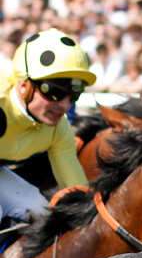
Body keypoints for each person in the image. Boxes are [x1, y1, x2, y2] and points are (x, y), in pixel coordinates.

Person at [0, 28, 96, 225]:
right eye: (54, 92)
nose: (65, 105)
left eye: (73, 95)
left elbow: (77, 187)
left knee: (41, 212)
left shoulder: (59, 129)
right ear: (24, 85)